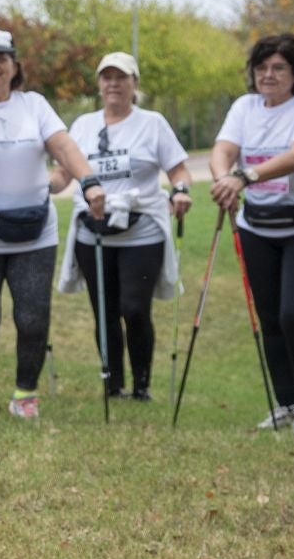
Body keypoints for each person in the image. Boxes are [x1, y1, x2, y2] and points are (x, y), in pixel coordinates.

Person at [0, 28, 106, 421]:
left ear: (15, 66)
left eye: (0, 58)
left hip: (34, 232)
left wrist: (90, 180)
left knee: (33, 316)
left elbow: (64, 145)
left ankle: (25, 393)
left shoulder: (34, 104)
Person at [208, 33, 294, 433]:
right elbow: (223, 150)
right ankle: (284, 403)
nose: (268, 74)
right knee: (269, 317)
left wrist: (244, 176)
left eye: (279, 67)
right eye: (262, 67)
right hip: (258, 226)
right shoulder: (244, 107)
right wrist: (222, 181)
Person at [52, 52, 193, 401]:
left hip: (141, 228)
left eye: (122, 77)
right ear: (99, 84)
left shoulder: (152, 123)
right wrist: (40, 185)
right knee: (105, 311)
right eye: (107, 77)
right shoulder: (83, 125)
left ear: (134, 84)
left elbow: (178, 170)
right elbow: (63, 174)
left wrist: (181, 191)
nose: (113, 84)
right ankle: (112, 384)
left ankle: (141, 384)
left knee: (134, 308)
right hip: (93, 231)